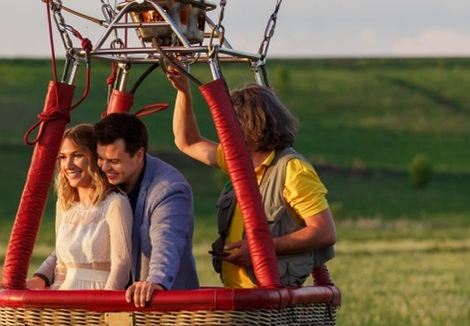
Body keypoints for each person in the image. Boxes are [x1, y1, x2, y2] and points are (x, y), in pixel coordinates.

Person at [166, 67, 336, 288]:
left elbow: (324, 232)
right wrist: (183, 92)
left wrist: (261, 248)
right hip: (238, 297)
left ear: (249, 125)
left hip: (271, 298)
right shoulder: (237, 160)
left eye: (229, 123)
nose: (224, 130)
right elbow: (187, 141)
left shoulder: (292, 170)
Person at [94, 112, 199, 307]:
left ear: (139, 155)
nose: (105, 167)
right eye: (101, 158)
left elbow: (167, 239)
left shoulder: (169, 189)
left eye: (114, 161)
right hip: (117, 302)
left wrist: (156, 281)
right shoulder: (103, 181)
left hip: (162, 310)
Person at [27, 124, 133, 290]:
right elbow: (61, 267)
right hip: (65, 300)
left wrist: (104, 306)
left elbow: (122, 265)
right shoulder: (65, 206)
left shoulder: (116, 204)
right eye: (62, 157)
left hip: (99, 296)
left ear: (97, 159)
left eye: (77, 155)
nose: (68, 165)